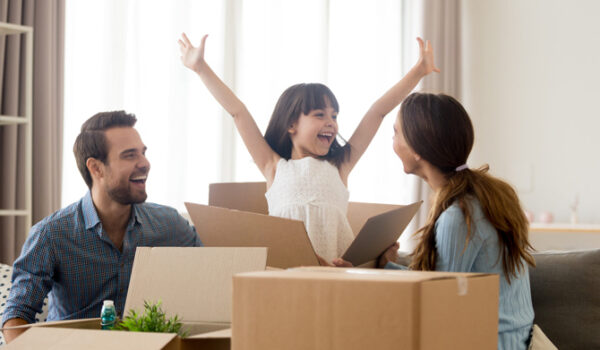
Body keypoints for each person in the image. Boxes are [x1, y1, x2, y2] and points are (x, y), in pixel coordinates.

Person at [178, 33, 439, 262]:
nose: (331, 123)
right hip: (289, 274)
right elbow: (238, 112)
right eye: (320, 115)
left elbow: (377, 112)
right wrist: (201, 68)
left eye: (334, 116)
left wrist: (419, 71)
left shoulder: (340, 166)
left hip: (337, 274)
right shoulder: (273, 166)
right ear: (292, 124)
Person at [1, 111, 202, 343]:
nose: (144, 163)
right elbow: (16, 317)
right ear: (96, 168)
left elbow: (213, 271)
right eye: (129, 155)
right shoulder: (52, 234)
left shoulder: (170, 224)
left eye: (143, 153)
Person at [379, 93, 535, 349]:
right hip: (514, 338)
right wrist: (388, 267)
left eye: (395, 133)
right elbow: (443, 282)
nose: (393, 142)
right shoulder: (483, 197)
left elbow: (439, 300)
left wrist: (384, 269)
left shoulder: (459, 215)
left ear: (417, 149)